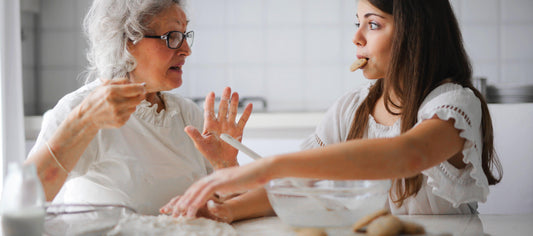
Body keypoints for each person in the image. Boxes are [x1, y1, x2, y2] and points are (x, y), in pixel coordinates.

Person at [161, 0, 503, 221]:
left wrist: (271, 165)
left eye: (373, 24)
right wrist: (228, 208)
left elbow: (409, 154)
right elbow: (297, 184)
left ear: (416, 34)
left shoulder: (454, 104)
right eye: (357, 22)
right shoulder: (351, 108)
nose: (356, 37)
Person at [24, 0, 252, 215]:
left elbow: (227, 207)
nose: (186, 49)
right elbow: (22, 202)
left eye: (184, 35)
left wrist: (226, 165)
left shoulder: (188, 115)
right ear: (127, 41)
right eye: (172, 36)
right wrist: (83, 122)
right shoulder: (80, 109)